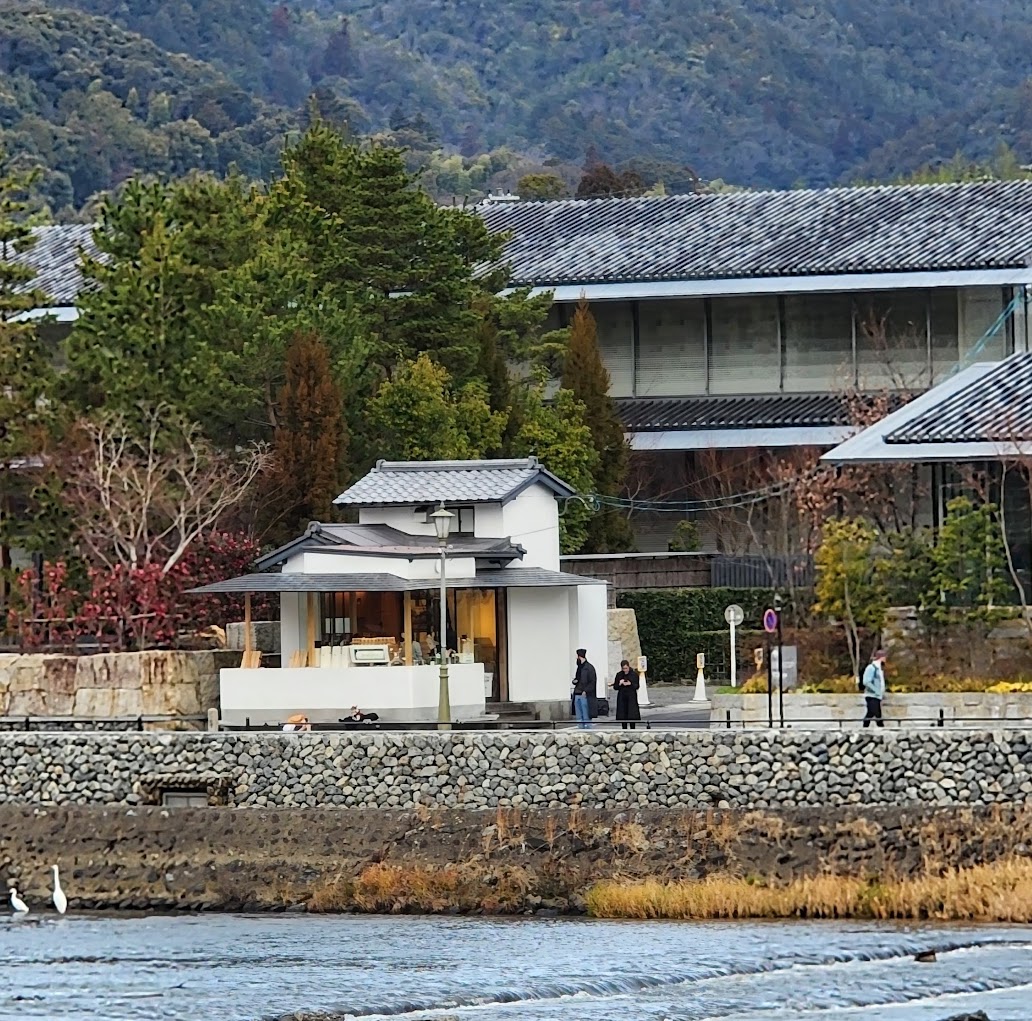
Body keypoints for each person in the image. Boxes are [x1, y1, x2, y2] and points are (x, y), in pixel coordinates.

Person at [613, 659, 641, 730]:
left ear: (628, 667)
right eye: (623, 669)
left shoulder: (634, 674)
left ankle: (632, 728)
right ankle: (624, 728)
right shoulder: (619, 675)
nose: (625, 670)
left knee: (631, 714)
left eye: (626, 668)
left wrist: (630, 683)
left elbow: (637, 686)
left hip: (631, 696)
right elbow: (615, 687)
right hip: (622, 696)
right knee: (623, 714)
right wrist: (620, 683)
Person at [572, 649, 597, 729]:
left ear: (580, 657)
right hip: (577, 693)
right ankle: (580, 729)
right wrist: (575, 681)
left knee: (586, 715)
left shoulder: (589, 668)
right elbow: (578, 678)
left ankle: (587, 730)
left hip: (584, 694)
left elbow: (592, 681)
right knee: (579, 716)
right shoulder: (579, 668)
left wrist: (586, 690)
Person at [862, 650, 887, 728]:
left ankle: (865, 729)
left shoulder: (879, 668)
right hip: (872, 695)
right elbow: (866, 682)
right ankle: (881, 729)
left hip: (876, 696)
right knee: (875, 714)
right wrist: (877, 691)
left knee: (872, 713)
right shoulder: (871, 668)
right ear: (881, 657)